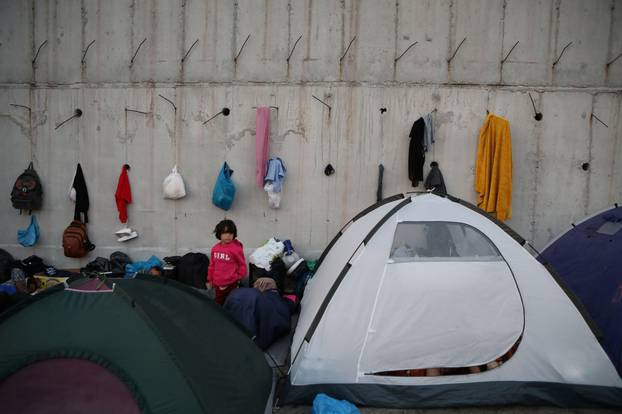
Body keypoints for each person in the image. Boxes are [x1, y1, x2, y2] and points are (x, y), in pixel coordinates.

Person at [207, 219, 247, 305]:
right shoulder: (215, 248)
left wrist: (237, 277)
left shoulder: (236, 249)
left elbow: (242, 265)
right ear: (219, 234)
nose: (228, 236)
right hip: (217, 284)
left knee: (232, 303)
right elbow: (212, 265)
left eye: (231, 233)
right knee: (219, 303)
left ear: (234, 234)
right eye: (225, 233)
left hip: (231, 283)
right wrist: (210, 279)